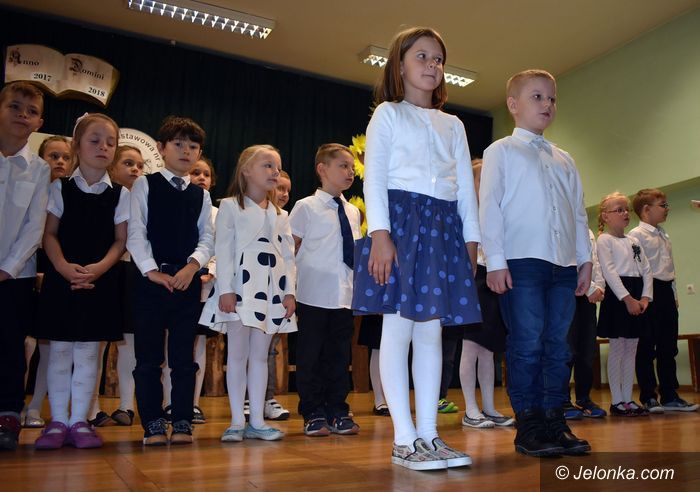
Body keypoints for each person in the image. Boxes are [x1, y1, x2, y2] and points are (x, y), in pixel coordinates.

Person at [352, 27, 480, 470]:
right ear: (400, 65)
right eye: (421, 56)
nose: (432, 64)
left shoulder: (454, 124)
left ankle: (429, 434)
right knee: (398, 328)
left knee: (431, 332)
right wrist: (380, 235)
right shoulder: (388, 114)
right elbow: (374, 178)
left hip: (443, 227)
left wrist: (471, 240)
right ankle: (403, 438)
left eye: (438, 58)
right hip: (401, 224)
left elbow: (465, 189)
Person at [480, 69, 592, 457]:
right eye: (537, 96)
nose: (547, 104)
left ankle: (554, 420)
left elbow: (578, 213)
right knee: (527, 343)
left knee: (558, 346)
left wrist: (585, 260)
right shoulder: (501, 151)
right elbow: (489, 207)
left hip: (563, 264)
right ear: (513, 105)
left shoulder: (565, 159)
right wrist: (495, 261)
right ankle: (528, 423)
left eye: (552, 98)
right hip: (521, 261)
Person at [33, 113, 128, 449]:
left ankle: (80, 421)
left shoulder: (120, 194)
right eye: (95, 140)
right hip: (63, 279)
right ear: (77, 145)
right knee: (59, 351)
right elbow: (49, 234)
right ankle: (58, 420)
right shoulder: (60, 188)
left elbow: (120, 240)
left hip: (100, 280)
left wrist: (98, 269)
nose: (103, 147)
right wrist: (62, 267)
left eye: (110, 142)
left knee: (89, 353)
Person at [200, 144, 297, 443]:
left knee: (260, 357)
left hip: (270, 291)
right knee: (238, 355)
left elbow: (288, 257)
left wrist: (289, 292)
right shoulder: (230, 207)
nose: (274, 171)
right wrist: (226, 290)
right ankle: (235, 421)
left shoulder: (281, 214)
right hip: (240, 290)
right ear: (246, 171)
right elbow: (224, 251)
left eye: (277, 166)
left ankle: (257, 420)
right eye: (267, 165)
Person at [128, 116, 213, 446]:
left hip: (186, 282)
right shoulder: (145, 184)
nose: (186, 151)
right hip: (150, 282)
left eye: (193, 146)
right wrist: (152, 271)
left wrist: (192, 267)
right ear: (161, 148)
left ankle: (181, 420)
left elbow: (207, 238)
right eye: (178, 144)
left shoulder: (201, 195)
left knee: (183, 359)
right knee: (148, 358)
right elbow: (136, 232)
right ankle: (151, 422)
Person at [290, 143, 362, 436]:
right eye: (343, 166)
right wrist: (289, 289)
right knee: (310, 356)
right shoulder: (305, 207)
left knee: (339, 356)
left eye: (352, 167)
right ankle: (312, 411)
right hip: (313, 294)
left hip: (344, 295)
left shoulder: (353, 211)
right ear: (322, 169)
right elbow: (290, 250)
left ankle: (338, 410)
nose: (350, 172)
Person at [0, 81, 50, 451]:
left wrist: (8, 268)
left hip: (15, 275)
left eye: (31, 111)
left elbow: (35, 226)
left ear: (39, 122)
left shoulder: (39, 170)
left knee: (10, 346)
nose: (23, 115)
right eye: (15, 107)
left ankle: (7, 415)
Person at [88, 145, 145, 427]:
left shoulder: (144, 199)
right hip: (104, 270)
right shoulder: (104, 197)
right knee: (95, 343)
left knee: (129, 344)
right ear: (112, 167)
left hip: (133, 272)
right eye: (128, 163)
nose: (135, 169)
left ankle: (126, 406)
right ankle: (91, 408)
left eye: (140, 165)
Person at [629, 189, 699, 412]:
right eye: (663, 205)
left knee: (668, 346)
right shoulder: (636, 235)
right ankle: (649, 396)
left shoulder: (663, 234)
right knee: (646, 346)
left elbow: (669, 266)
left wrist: (674, 295)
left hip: (666, 291)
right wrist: (642, 297)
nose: (667, 209)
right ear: (646, 209)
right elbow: (636, 269)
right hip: (647, 292)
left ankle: (670, 395)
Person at [162, 156, 218, 425]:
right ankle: (168, 402)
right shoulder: (175, 203)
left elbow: (219, 245)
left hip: (203, 287)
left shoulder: (217, 211)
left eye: (206, 174)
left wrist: (211, 271)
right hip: (173, 281)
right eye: (197, 172)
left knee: (197, 346)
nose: (201, 178)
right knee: (169, 345)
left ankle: (192, 404)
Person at [459, 159, 512, 429]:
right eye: (482, 179)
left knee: (489, 349)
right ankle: (470, 408)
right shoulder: (466, 213)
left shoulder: (498, 213)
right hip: (474, 280)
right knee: (471, 346)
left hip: (495, 279)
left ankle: (489, 406)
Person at [23, 135, 71, 429]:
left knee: (49, 348)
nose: (60, 162)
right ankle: (14, 404)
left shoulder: (69, 194)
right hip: (24, 272)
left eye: (66, 157)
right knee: (24, 346)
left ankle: (36, 406)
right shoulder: (32, 187)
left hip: (57, 274)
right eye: (54, 156)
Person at [596, 192, 653, 417]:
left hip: (637, 294)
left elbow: (646, 270)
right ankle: (617, 401)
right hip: (618, 297)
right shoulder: (604, 240)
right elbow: (609, 272)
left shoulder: (634, 241)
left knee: (632, 349)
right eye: (618, 210)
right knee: (618, 348)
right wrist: (627, 299)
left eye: (626, 209)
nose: (624, 213)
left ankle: (628, 398)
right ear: (605, 216)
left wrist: (645, 297)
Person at [563, 228, 607, 419]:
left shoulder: (587, 231)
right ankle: (562, 400)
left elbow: (595, 263)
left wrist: (600, 287)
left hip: (588, 297)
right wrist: (589, 287)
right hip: (568, 292)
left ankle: (583, 397)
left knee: (587, 350)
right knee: (567, 349)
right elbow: (567, 260)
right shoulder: (563, 225)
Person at [264, 168, 292, 421]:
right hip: (253, 290)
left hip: (277, 291)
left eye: (287, 191)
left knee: (270, 348)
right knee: (248, 349)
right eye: (280, 188)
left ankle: (267, 397)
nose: (284, 194)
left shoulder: (286, 218)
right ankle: (248, 398)